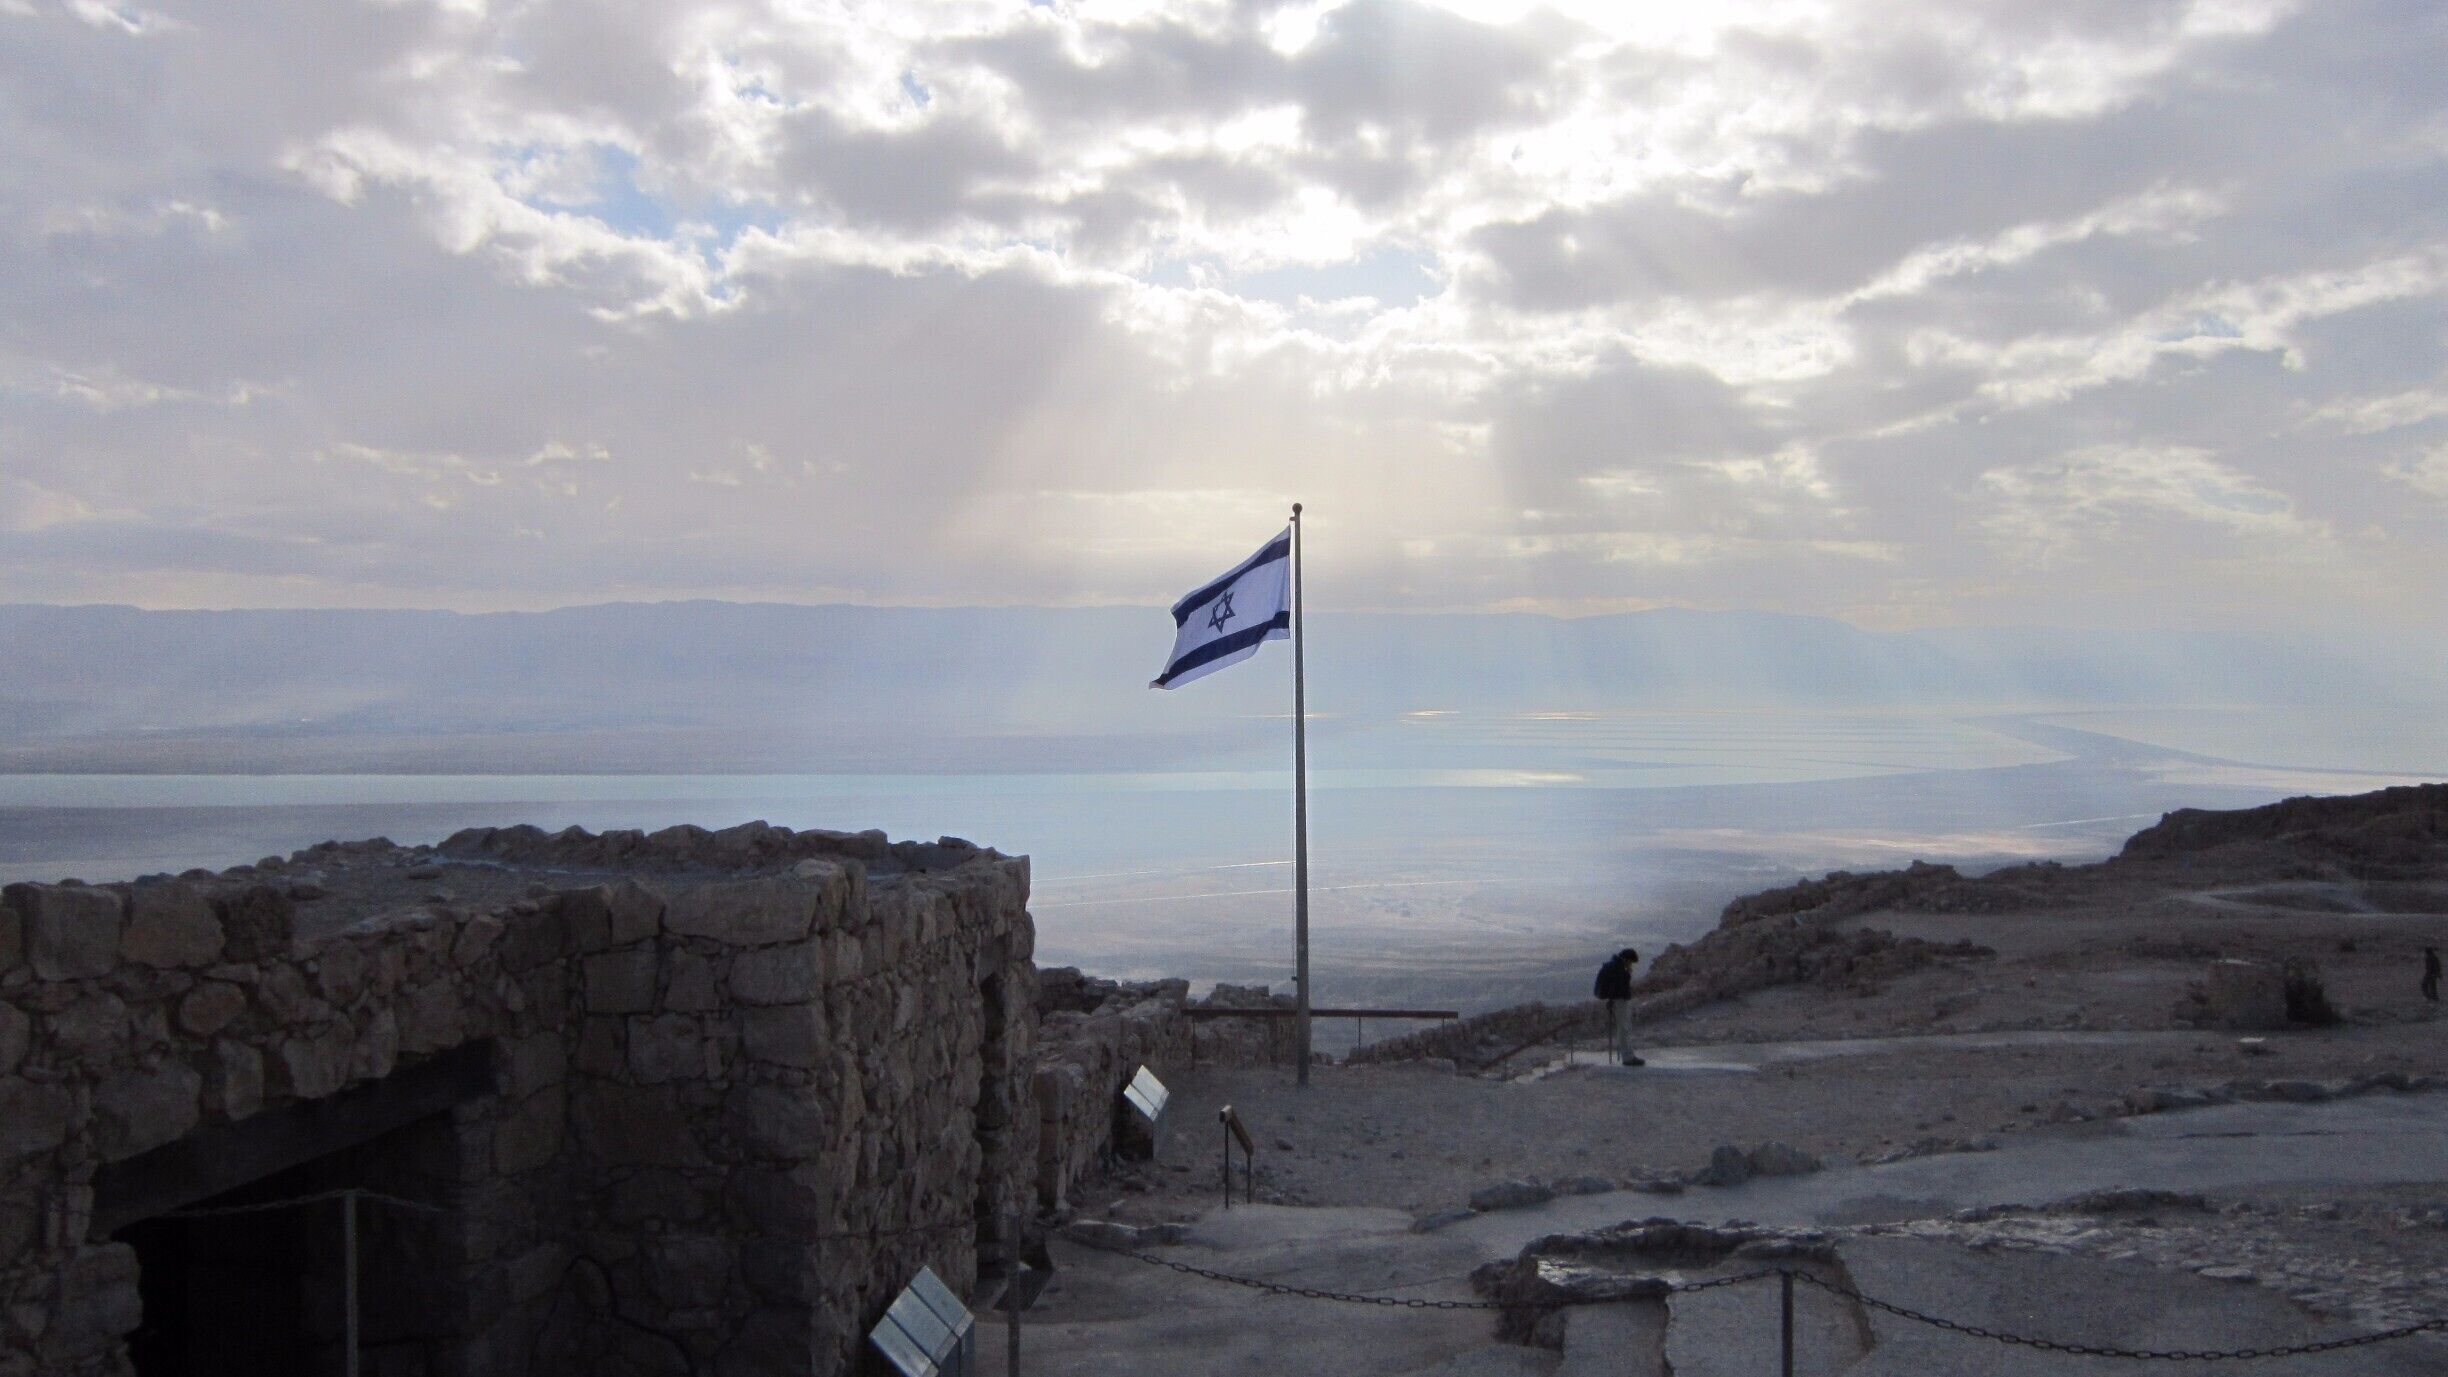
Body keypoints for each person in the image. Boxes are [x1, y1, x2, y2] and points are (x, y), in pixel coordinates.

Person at [1593, 947, 1642, 1066]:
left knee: (1624, 1028)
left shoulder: (1615, 966)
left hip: (1617, 1001)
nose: (1631, 965)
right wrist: (1627, 974)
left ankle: (1628, 1055)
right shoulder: (1619, 969)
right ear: (1627, 959)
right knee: (1623, 1029)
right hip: (1620, 1001)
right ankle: (1628, 1058)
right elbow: (1620, 987)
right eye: (1630, 962)